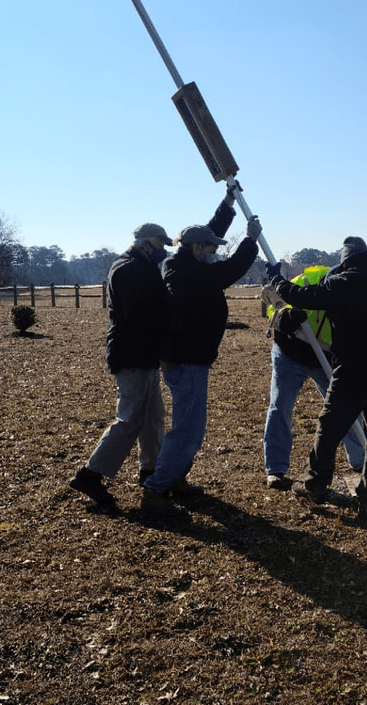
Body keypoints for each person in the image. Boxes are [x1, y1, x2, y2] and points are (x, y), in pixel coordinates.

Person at [141, 187, 262, 517]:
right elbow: (229, 271)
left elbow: (209, 236)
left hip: (186, 359)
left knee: (188, 427)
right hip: (187, 361)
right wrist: (250, 240)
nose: (214, 252)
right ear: (197, 250)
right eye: (210, 248)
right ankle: (155, 489)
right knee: (188, 430)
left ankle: (175, 478)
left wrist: (228, 205)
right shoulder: (189, 275)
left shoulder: (181, 263)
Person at [266, 236, 367, 519]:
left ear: (344, 261)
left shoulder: (342, 283)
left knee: (328, 430)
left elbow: (300, 297)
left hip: (353, 374)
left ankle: (314, 485)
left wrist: (276, 280)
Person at [69, 222, 173, 510]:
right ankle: (90, 474)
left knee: (153, 417)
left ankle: (150, 472)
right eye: (159, 245)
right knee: (129, 419)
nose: (162, 252)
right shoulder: (128, 270)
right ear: (145, 243)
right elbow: (142, 316)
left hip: (145, 353)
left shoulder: (138, 266)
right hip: (132, 353)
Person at [262, 265, 365, 490]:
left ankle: (360, 461)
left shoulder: (352, 295)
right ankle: (276, 469)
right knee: (280, 406)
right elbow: (273, 305)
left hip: (325, 360)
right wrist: (283, 318)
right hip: (288, 352)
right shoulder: (306, 280)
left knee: (344, 407)